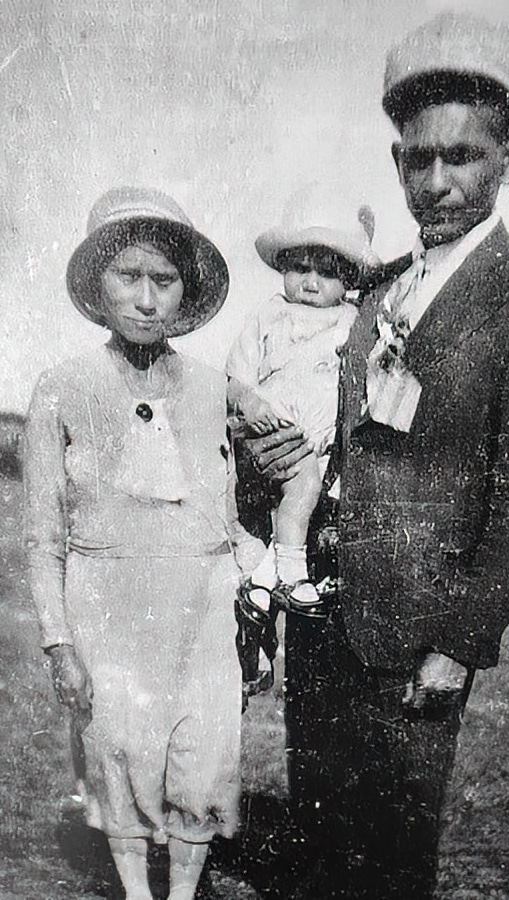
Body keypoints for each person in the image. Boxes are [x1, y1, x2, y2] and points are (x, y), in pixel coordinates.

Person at [245, 13, 509, 899]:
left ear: (508, 160)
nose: (434, 182)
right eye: (415, 159)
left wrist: (458, 644)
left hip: (417, 635)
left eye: (462, 158)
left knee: (392, 856)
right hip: (323, 612)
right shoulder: (377, 283)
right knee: (320, 832)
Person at [24, 187, 261, 900]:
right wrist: (60, 645)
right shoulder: (62, 388)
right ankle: (135, 892)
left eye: (164, 280)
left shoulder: (218, 387)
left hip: (201, 607)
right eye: (129, 277)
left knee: (201, 756)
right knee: (119, 750)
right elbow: (42, 534)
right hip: (106, 606)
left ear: (185, 291)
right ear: (98, 283)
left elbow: (245, 502)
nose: (147, 299)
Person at [226, 212, 379, 692]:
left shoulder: (352, 322)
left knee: (302, 500)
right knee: (262, 520)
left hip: (317, 445)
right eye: (300, 269)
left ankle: (262, 608)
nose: (311, 283)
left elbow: (362, 387)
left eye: (327, 272)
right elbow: (235, 379)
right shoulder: (267, 315)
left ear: (348, 280)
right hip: (267, 435)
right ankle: (285, 575)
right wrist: (248, 402)